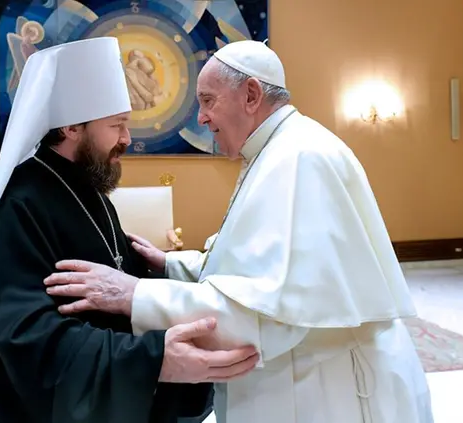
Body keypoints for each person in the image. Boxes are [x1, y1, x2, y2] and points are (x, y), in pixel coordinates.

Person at [43, 39, 435, 423]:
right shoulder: (275, 151)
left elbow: (263, 317)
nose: (200, 117)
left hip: (329, 391)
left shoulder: (300, 159)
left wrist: (134, 295)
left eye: (208, 100)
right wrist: (172, 265)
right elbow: (256, 272)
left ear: (250, 95)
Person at [0, 37, 259, 423]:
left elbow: (119, 274)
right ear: (71, 126)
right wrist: (154, 360)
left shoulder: (88, 186)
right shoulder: (21, 204)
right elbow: (27, 337)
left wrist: (166, 276)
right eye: (117, 125)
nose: (127, 139)